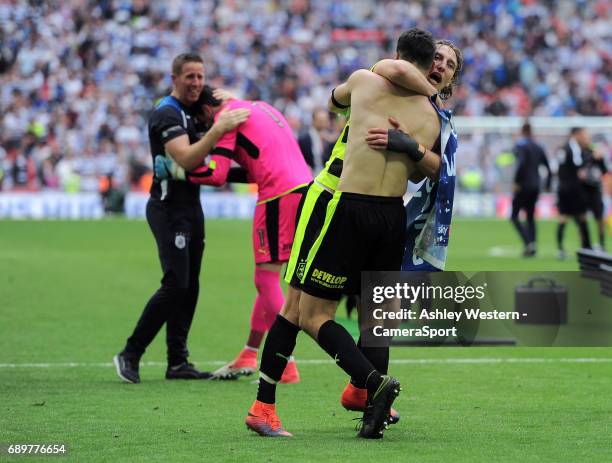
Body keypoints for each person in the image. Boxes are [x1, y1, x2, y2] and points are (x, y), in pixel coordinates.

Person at [245, 28, 441, 439]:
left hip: (343, 204)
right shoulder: (432, 116)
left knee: (303, 311)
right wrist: (412, 142)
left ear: (398, 53)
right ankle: (371, 406)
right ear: (430, 68)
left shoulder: (366, 81)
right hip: (393, 215)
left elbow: (335, 101)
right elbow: (435, 168)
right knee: (376, 319)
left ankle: (364, 386)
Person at [155, 86, 312, 383]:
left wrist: (178, 172)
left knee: (264, 279)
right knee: (270, 279)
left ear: (205, 110)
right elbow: (252, 170)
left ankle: (285, 362)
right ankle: (250, 353)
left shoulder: (226, 118)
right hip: (304, 189)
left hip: (278, 194)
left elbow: (216, 174)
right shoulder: (261, 106)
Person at [113, 53, 250, 384]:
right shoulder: (167, 114)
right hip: (167, 208)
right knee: (176, 283)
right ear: (174, 78)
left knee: (190, 286)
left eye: (201, 76)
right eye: (190, 76)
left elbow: (232, 99)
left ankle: (177, 362)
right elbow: (188, 159)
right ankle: (130, 353)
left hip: (191, 208)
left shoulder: (196, 106)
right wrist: (218, 128)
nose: (197, 83)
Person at [510, 122, 551, 257]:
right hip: (535, 186)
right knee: (530, 216)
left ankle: (528, 242)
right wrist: (548, 184)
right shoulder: (539, 147)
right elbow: (548, 167)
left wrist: (516, 181)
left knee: (514, 216)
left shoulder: (521, 145)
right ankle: (532, 244)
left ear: (522, 131)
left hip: (523, 185)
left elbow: (521, 164)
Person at [556, 127, 593, 259]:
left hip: (571, 188)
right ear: (576, 135)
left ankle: (587, 248)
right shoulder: (569, 149)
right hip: (569, 189)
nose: (585, 137)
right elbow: (574, 169)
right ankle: (562, 248)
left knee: (577, 217)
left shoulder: (574, 149)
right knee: (565, 218)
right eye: (583, 134)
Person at [580, 137, 608, 251]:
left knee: (599, 218)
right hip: (583, 190)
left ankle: (601, 243)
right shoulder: (582, 154)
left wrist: (601, 159)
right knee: (582, 218)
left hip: (595, 190)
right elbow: (581, 168)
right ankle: (586, 244)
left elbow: (605, 171)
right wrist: (593, 157)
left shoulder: (598, 156)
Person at [298, 108, 334, 174]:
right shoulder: (304, 139)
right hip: (310, 176)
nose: (323, 124)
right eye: (320, 121)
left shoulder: (331, 139)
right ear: (313, 121)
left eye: (325, 121)